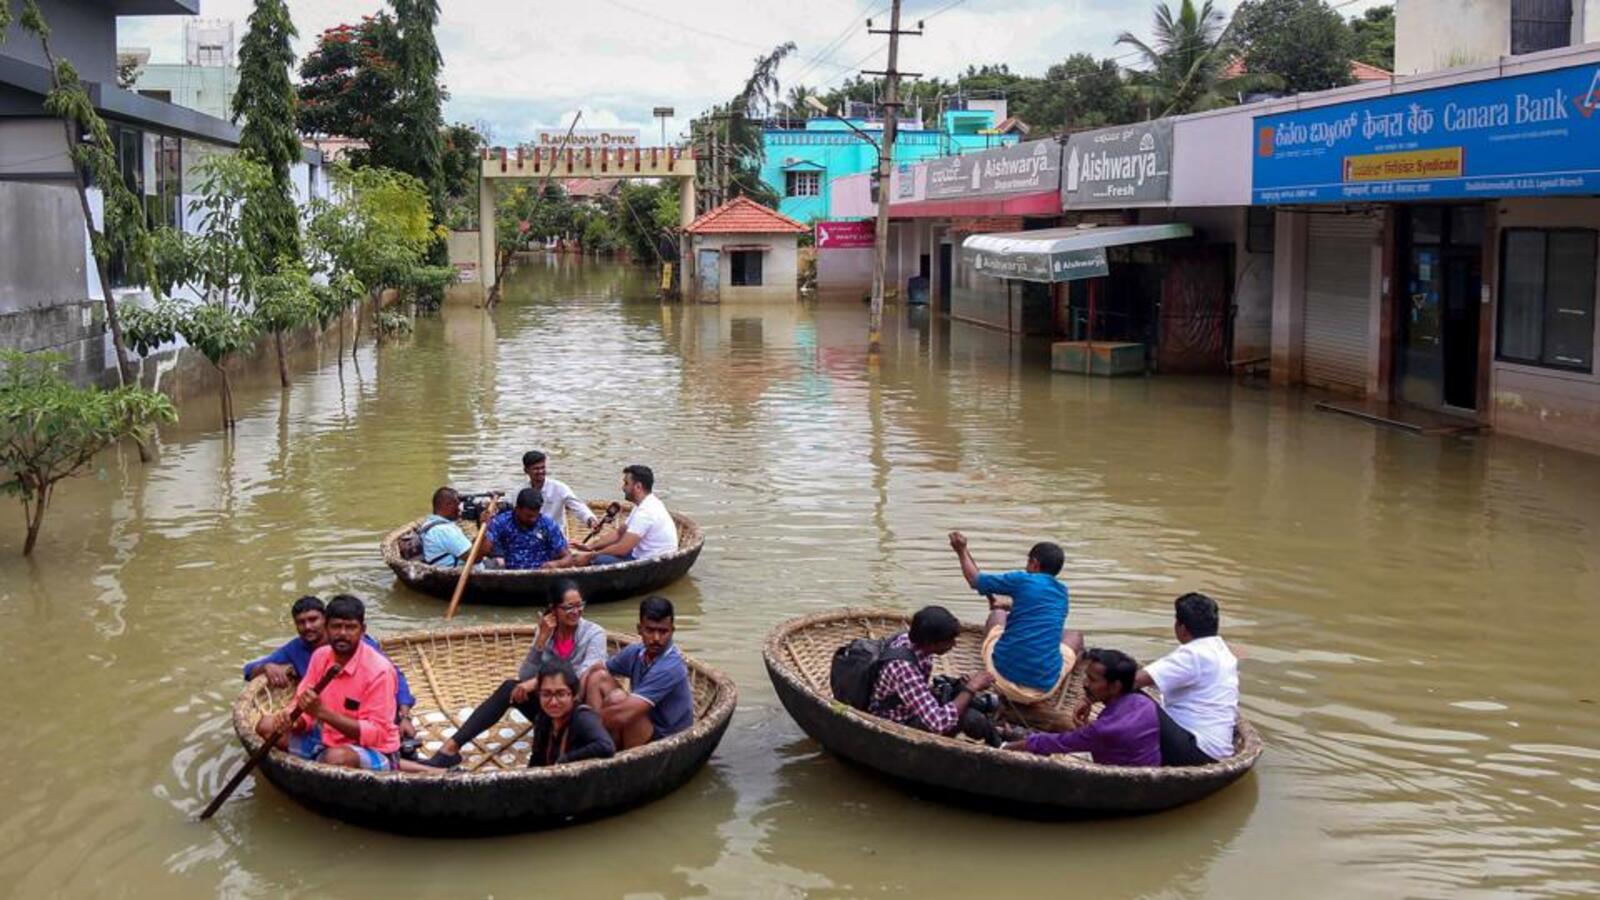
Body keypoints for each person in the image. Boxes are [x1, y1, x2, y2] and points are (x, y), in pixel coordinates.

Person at [418, 580, 609, 769]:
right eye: (569, 607)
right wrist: (541, 640)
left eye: (579, 605)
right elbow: (525, 674)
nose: (576, 612)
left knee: (530, 688)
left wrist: (535, 683)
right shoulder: (546, 630)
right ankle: (450, 749)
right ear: (554, 609)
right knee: (510, 687)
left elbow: (584, 673)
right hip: (550, 704)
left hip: (577, 708)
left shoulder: (594, 634)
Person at [255, 595, 401, 771]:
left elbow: (377, 734)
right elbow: (303, 706)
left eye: (350, 627)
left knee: (335, 758)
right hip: (326, 737)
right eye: (336, 626)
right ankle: (317, 761)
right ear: (326, 628)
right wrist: (292, 720)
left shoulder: (380, 671)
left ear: (362, 630)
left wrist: (324, 713)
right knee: (266, 726)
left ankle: (319, 764)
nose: (342, 634)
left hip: (372, 749)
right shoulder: (320, 656)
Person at [949, 531, 1081, 706]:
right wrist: (1009, 605)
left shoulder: (1023, 580)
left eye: (1028, 562)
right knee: (1075, 636)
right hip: (1044, 689)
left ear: (1034, 563)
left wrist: (961, 550)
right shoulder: (1062, 592)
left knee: (997, 615)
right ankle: (1056, 675)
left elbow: (975, 580)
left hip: (1002, 679)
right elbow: (1035, 606)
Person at [1003, 648, 1161, 767]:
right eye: (1086, 676)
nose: (1084, 683)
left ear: (1115, 686)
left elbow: (1058, 743)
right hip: (1143, 766)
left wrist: (1008, 748)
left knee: (1040, 745)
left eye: (1092, 680)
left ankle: (1008, 734)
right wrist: (1088, 702)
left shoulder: (1103, 730)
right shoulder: (1145, 703)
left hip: (1116, 783)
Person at [1136, 592, 1239, 766]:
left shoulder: (1193, 654)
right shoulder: (1222, 650)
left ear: (1181, 627)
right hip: (1217, 749)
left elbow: (1134, 680)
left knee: (1126, 690)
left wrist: (1090, 698)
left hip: (1195, 749)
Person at [868, 605, 997, 738]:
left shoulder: (911, 641)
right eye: (949, 641)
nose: (954, 644)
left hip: (908, 704)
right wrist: (971, 687)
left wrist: (964, 687)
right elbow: (938, 723)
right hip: (897, 719)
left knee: (962, 693)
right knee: (971, 718)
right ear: (931, 643)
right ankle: (1000, 744)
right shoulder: (903, 667)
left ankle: (996, 731)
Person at [583, 596, 694, 750]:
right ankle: (600, 743)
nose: (656, 638)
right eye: (650, 630)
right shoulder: (636, 651)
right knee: (598, 677)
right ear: (639, 629)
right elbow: (597, 669)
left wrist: (580, 726)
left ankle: (599, 745)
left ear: (672, 631)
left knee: (618, 700)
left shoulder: (671, 666)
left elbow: (622, 714)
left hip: (666, 737)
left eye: (663, 632)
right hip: (644, 721)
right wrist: (577, 697)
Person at [573, 465, 677, 566]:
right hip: (639, 553)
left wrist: (590, 555)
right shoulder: (643, 504)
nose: (623, 487)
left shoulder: (646, 512)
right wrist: (590, 547)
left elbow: (622, 549)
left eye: (626, 483)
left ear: (638, 487)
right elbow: (619, 533)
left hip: (651, 563)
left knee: (596, 559)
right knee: (600, 549)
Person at [483, 487, 572, 571]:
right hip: (508, 574)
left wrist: (555, 564)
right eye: (529, 516)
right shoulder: (500, 522)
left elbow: (568, 557)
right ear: (517, 509)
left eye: (536, 515)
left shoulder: (548, 524)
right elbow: (484, 549)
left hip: (541, 575)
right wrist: (486, 526)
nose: (533, 519)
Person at [523, 450, 598, 541]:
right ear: (526, 470)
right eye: (536, 469)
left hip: (555, 538)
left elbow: (578, 506)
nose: (540, 471)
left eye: (543, 467)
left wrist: (590, 520)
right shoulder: (520, 491)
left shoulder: (559, 488)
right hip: (528, 537)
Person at [417, 487, 475, 568]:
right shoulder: (444, 530)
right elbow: (474, 558)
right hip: (461, 571)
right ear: (447, 505)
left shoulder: (429, 523)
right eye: (457, 505)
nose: (459, 510)